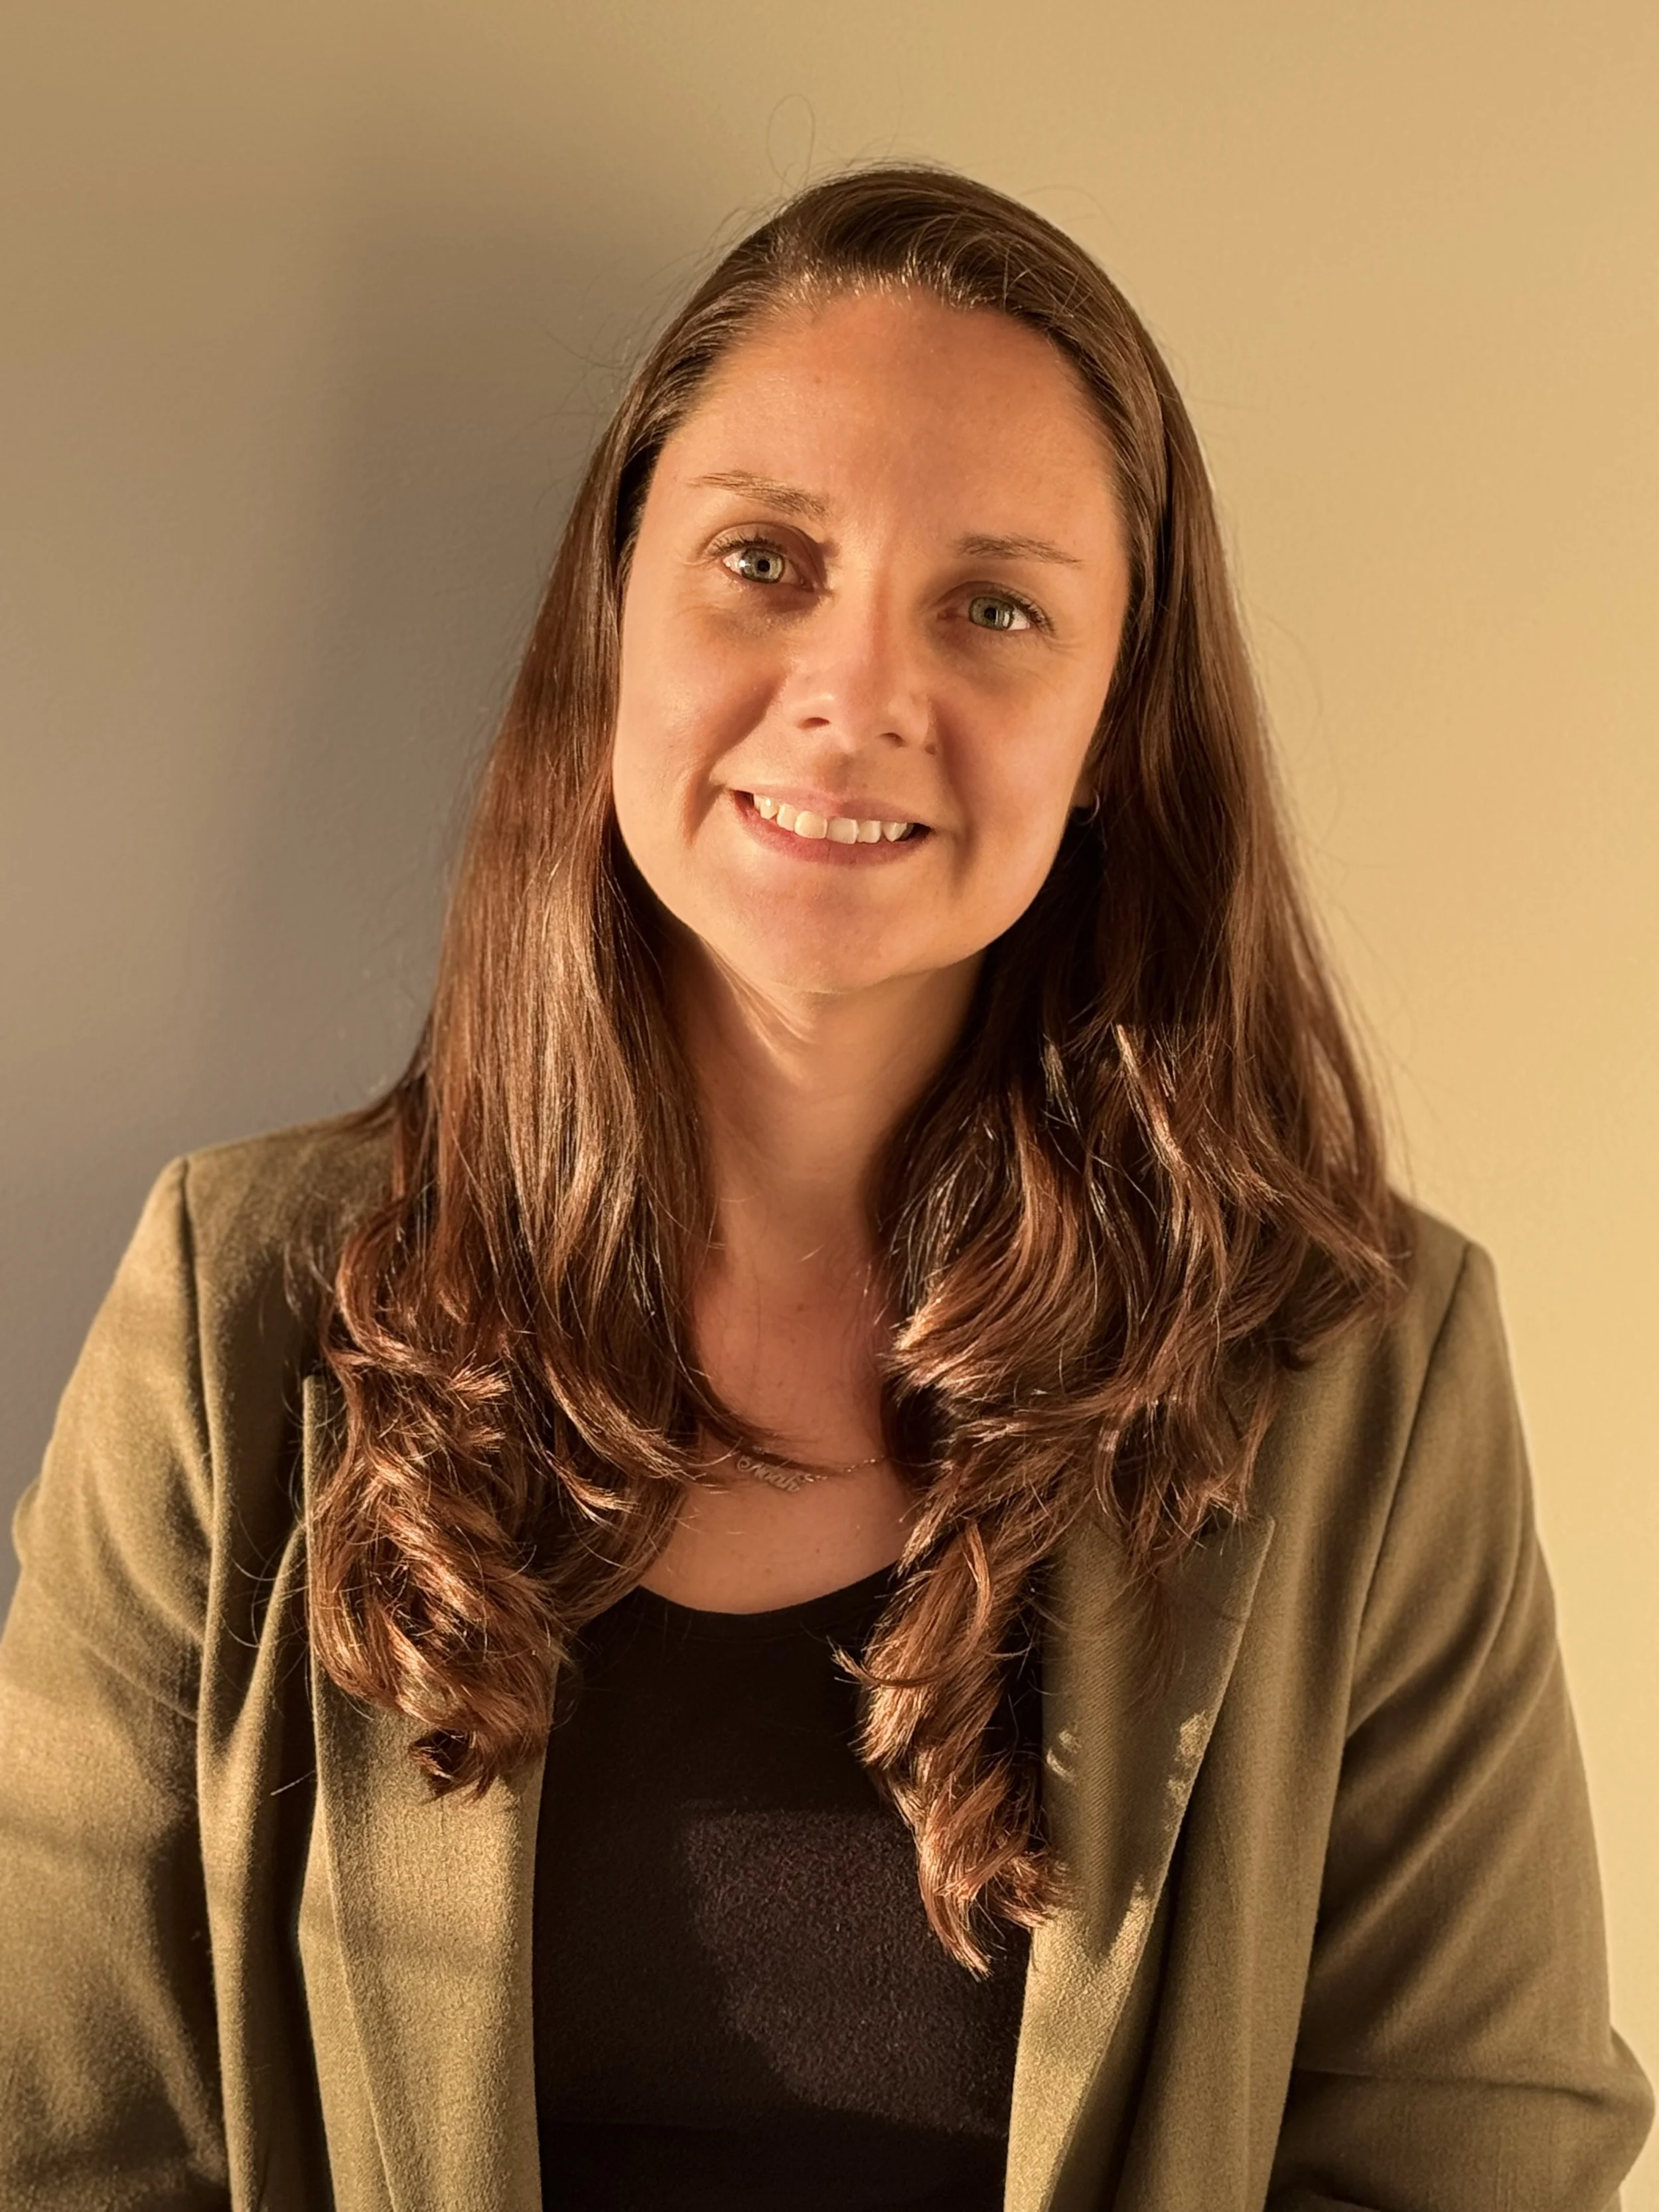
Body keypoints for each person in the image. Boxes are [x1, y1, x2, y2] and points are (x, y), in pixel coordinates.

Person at [0, 164, 1649, 2212]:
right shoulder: (237, 1315)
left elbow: (1466, 2152)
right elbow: (68, 2141)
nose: (856, 695)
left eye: (993, 606)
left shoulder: (1363, 1373)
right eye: (766, 559)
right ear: (615, 618)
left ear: (1115, 723)